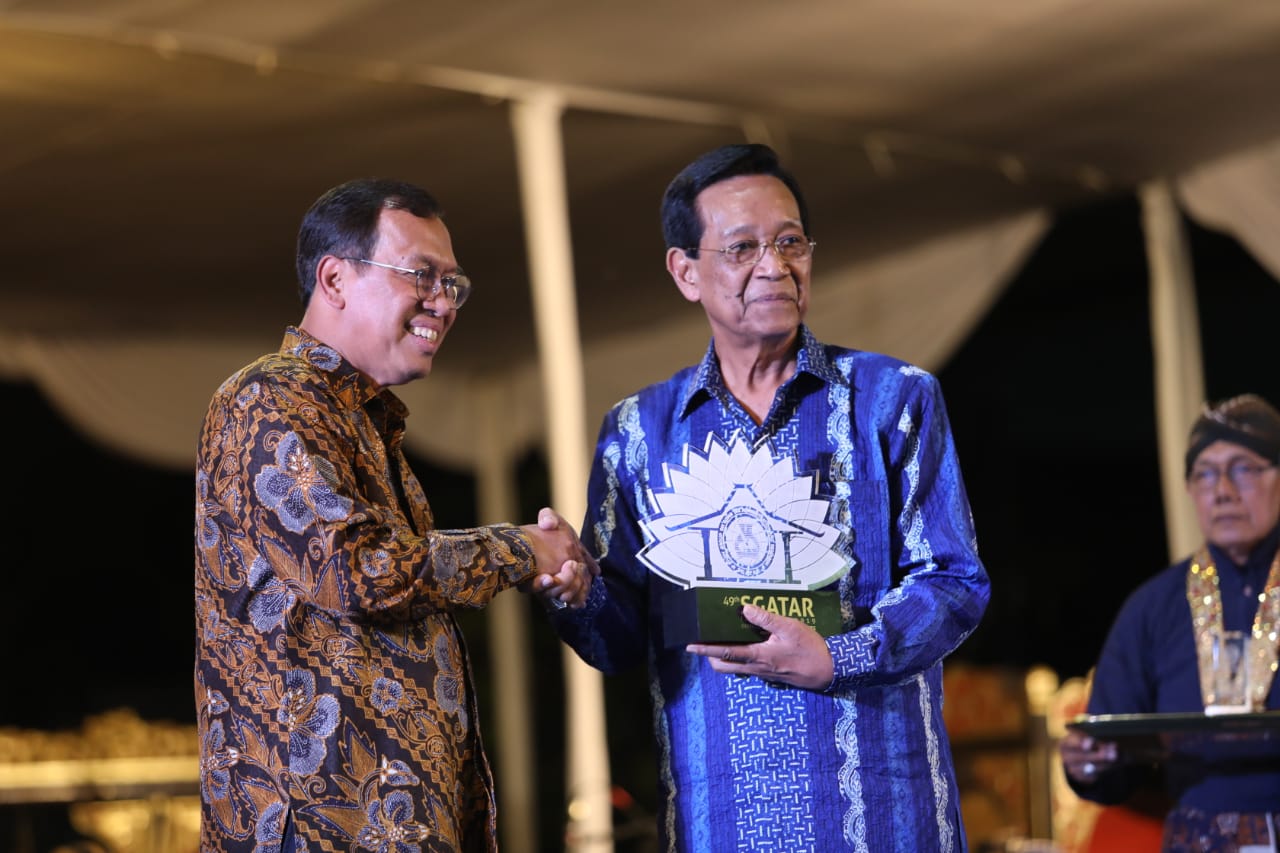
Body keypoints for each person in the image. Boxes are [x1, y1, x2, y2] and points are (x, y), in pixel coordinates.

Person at [547, 143, 991, 852]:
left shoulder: (894, 398)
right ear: (685, 272)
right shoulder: (636, 433)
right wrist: (577, 590)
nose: (774, 266)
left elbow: (954, 580)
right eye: (742, 248)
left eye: (790, 243)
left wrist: (840, 656)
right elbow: (618, 639)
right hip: (720, 818)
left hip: (882, 813)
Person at [194, 177, 596, 852]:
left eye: (453, 284)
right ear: (335, 278)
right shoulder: (269, 399)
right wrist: (523, 549)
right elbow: (356, 572)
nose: (443, 301)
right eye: (421, 275)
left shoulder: (361, 421)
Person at [1060, 393, 1280, 852]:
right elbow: (1114, 758)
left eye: (1243, 468)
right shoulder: (1153, 607)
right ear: (1189, 490)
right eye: (1205, 473)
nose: (1223, 490)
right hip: (1198, 837)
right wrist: (1089, 765)